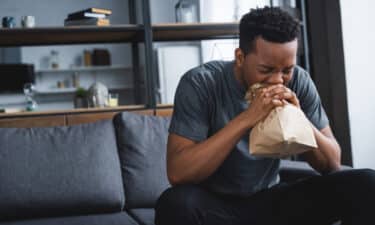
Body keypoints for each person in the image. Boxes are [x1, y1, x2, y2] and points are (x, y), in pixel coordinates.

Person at [155, 6, 375, 225]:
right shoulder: (201, 84)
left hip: (272, 200)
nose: (278, 80)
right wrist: (248, 117)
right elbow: (178, 173)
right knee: (175, 204)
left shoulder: (298, 81)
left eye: (286, 70)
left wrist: (299, 119)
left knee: (367, 182)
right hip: (215, 205)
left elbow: (331, 164)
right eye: (267, 70)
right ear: (240, 57)